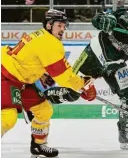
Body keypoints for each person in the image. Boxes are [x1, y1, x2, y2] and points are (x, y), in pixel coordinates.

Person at [47, 2, 128, 150]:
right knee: (72, 93)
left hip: (116, 65)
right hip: (94, 55)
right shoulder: (125, 17)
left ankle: (124, 135)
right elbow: (97, 19)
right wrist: (104, 20)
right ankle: (39, 98)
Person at [1, 9, 96, 157]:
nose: (63, 29)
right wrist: (83, 84)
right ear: (49, 25)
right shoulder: (50, 43)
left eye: (65, 26)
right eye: (60, 25)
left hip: (19, 78)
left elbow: (28, 59)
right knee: (8, 118)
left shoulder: (41, 35)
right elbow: (65, 78)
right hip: (6, 75)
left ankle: (38, 145)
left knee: (44, 110)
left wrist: (42, 75)